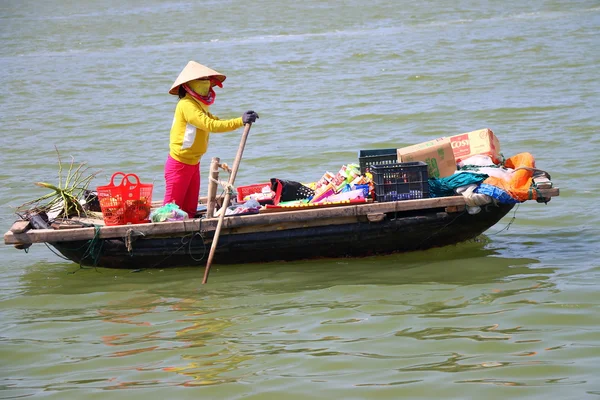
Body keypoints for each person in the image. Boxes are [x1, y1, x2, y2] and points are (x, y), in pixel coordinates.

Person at [164, 61, 259, 218]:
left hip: (193, 164)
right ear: (189, 84)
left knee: (189, 211)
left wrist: (239, 120)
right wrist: (240, 121)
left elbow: (215, 120)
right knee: (170, 213)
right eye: (202, 80)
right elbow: (211, 125)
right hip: (179, 165)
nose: (207, 83)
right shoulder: (186, 105)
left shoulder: (198, 104)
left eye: (208, 79)